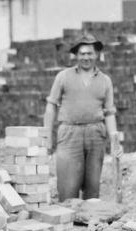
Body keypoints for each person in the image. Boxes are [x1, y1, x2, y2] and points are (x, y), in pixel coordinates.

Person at [44, 33, 120, 201]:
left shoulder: (105, 80)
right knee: (67, 188)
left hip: (96, 134)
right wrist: (47, 137)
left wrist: (115, 140)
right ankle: (67, 222)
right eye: (82, 53)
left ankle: (89, 226)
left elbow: (109, 113)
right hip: (69, 133)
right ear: (76, 55)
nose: (86, 57)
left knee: (92, 187)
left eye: (90, 53)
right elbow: (51, 106)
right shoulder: (63, 77)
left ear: (96, 54)